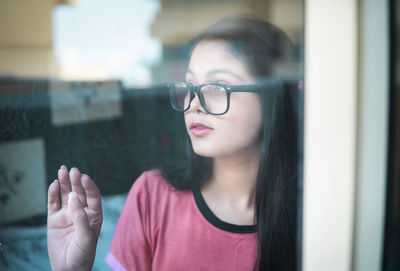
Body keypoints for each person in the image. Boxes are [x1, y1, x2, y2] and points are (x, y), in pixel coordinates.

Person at [47, 16, 300, 271]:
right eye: (190, 85)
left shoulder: (311, 212)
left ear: (273, 97)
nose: (194, 104)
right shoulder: (153, 197)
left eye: (218, 86)